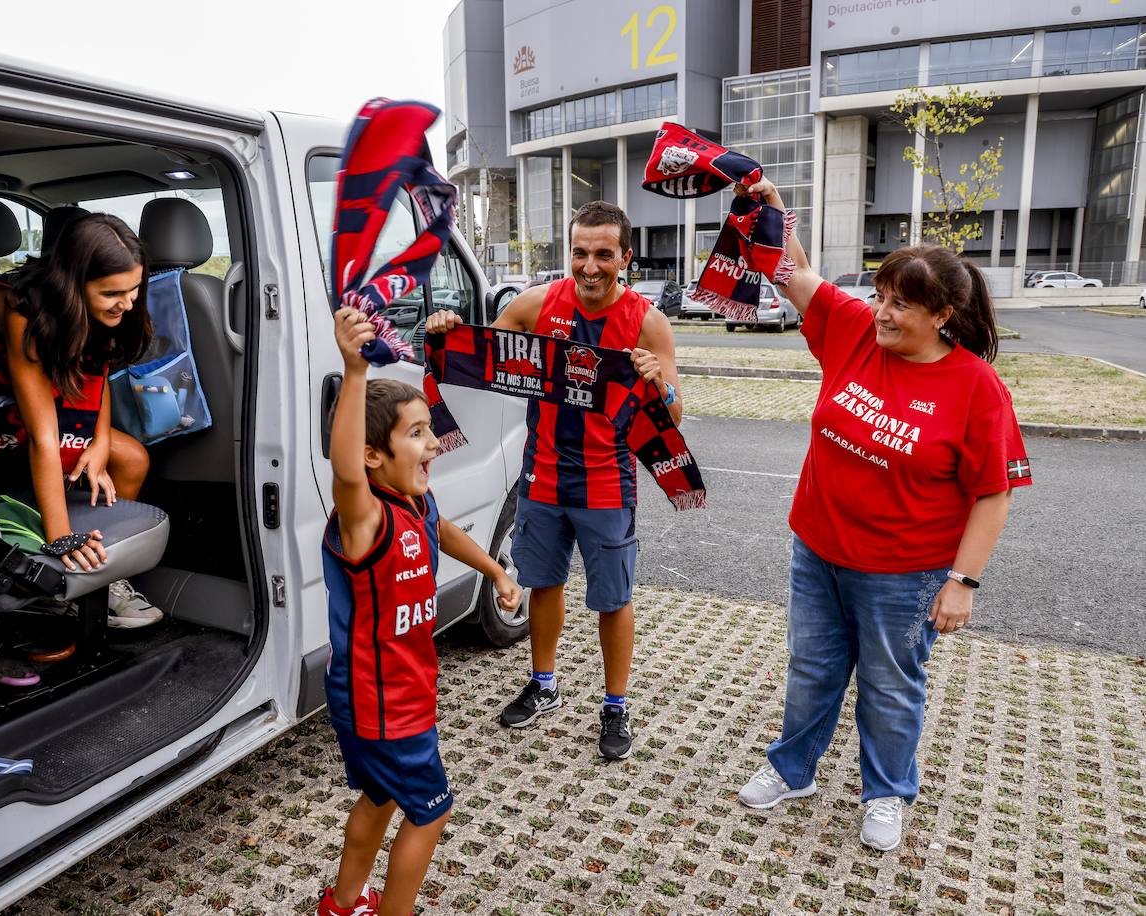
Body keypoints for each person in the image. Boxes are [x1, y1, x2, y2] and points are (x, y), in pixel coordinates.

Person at [733, 178, 1033, 851]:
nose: (883, 313)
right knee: (811, 668)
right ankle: (793, 768)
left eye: (902, 305)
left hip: (905, 574)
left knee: (890, 686)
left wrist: (963, 581)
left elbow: (994, 493)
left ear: (943, 317)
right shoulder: (854, 330)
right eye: (881, 296)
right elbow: (795, 273)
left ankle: (888, 791)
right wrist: (772, 209)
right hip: (819, 550)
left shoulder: (976, 390)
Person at [425, 200, 683, 761]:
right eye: (580, 252)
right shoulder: (537, 304)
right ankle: (544, 685)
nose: (590, 266)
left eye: (603, 255)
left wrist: (657, 384)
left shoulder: (647, 322)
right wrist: (447, 331)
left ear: (626, 258)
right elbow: (479, 355)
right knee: (544, 584)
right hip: (541, 473)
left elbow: (674, 416)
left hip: (607, 480)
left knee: (612, 600)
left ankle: (615, 704)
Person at [317, 306, 522, 916]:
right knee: (431, 814)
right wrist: (354, 373)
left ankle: (344, 902)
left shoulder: (415, 503)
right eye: (417, 433)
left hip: (395, 695)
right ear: (374, 456)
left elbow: (446, 531)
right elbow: (345, 469)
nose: (435, 443)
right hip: (383, 706)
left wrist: (494, 569)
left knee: (378, 800)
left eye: (430, 429)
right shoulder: (366, 516)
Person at [0, 213, 165, 628]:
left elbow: (93, 375)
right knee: (65, 448)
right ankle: (58, 580)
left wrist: (99, 444)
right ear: (73, 284)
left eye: (135, 289)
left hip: (46, 390)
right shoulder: (22, 310)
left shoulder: (100, 308)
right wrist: (61, 538)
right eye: (113, 293)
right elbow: (46, 437)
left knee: (129, 458)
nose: (128, 302)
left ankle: (109, 582)